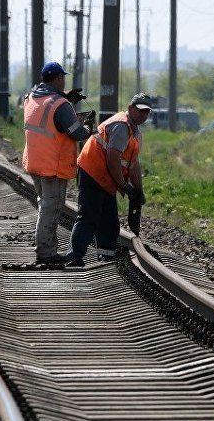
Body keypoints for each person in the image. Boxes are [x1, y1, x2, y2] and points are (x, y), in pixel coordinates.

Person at [65, 93, 152, 267]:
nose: (143, 115)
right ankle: (74, 256)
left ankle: (105, 256)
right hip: (93, 171)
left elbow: (133, 164)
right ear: (130, 109)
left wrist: (139, 190)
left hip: (106, 177)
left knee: (109, 221)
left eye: (146, 112)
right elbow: (113, 158)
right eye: (140, 110)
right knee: (89, 216)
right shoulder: (121, 126)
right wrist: (124, 186)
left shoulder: (135, 132)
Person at [21, 61, 94, 265]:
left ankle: (46, 248)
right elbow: (76, 132)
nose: (64, 81)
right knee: (51, 208)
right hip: (52, 165)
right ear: (58, 78)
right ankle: (45, 253)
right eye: (63, 78)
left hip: (34, 161)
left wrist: (66, 98)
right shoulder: (60, 105)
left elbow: (47, 117)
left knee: (45, 205)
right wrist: (89, 129)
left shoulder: (31, 98)